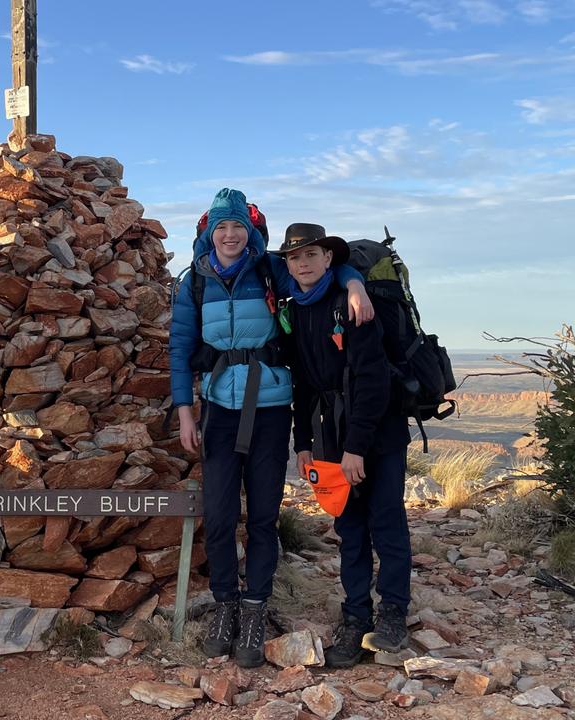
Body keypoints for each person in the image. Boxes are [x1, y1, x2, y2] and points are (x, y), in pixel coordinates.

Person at [168, 189, 372, 668]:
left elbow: (318, 273)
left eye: (238, 226)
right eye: (222, 227)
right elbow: (180, 348)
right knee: (218, 516)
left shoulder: (269, 269)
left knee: (262, 515)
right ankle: (225, 605)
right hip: (218, 408)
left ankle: (255, 609)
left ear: (251, 231)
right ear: (208, 233)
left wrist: (355, 282)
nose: (231, 235)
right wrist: (184, 411)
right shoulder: (194, 283)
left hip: (271, 406)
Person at [273, 223, 412, 668]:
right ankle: (356, 617)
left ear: (330, 258)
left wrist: (357, 447)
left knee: (385, 520)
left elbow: (371, 378)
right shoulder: (296, 309)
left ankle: (392, 613)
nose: (304, 263)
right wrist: (304, 443)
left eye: (311, 255)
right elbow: (305, 386)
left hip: (378, 432)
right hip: (332, 436)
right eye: (295, 258)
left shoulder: (354, 304)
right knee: (350, 528)